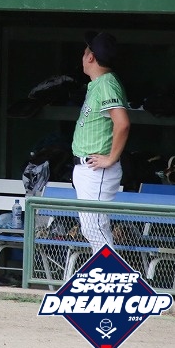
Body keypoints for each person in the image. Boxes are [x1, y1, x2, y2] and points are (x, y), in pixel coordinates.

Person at [71, 31, 130, 253]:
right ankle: (110, 272)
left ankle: (112, 273)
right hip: (88, 168)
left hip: (97, 169)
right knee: (94, 228)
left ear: (91, 57)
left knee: (93, 227)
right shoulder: (100, 83)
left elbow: (122, 123)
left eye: (85, 52)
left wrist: (111, 158)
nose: (83, 56)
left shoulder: (106, 84)